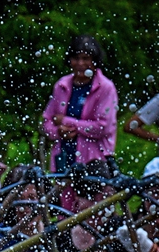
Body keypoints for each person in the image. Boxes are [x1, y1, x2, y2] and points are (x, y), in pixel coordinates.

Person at [41, 35, 118, 172]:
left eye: (86, 59)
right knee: (61, 192)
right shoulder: (61, 85)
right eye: (76, 58)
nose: (80, 63)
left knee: (88, 192)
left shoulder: (105, 88)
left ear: (95, 61)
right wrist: (58, 131)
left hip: (94, 161)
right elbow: (47, 122)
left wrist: (67, 121)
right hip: (63, 158)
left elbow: (102, 127)